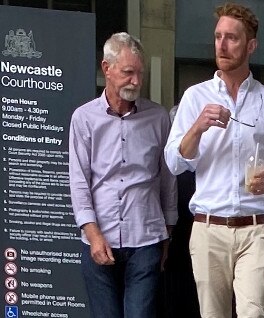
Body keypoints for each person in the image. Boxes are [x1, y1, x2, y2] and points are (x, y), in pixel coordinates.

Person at [164, 3, 264, 318]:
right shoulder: (195, 97)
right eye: (218, 36)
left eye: (232, 38)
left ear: (251, 46)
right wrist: (196, 127)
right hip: (209, 228)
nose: (222, 44)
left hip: (255, 228)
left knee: (254, 313)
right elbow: (174, 162)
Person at [69, 32, 178, 318]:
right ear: (107, 68)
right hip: (99, 238)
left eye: (140, 73)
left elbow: (168, 178)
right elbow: (79, 182)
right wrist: (93, 235)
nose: (137, 82)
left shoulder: (158, 118)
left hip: (146, 240)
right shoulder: (84, 118)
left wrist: (166, 236)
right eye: (129, 73)